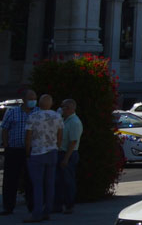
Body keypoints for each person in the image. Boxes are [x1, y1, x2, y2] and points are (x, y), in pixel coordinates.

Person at [24, 94, 61, 223]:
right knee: (50, 184)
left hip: (37, 153)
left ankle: (37, 213)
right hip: (52, 152)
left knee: (38, 185)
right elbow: (60, 134)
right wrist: (57, 146)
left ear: (39, 104)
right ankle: (47, 211)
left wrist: (27, 151)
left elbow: (28, 136)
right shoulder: (57, 116)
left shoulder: (33, 116)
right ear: (51, 104)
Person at [1, 90, 38, 216]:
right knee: (10, 179)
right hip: (14, 149)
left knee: (31, 180)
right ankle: (8, 206)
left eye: (34, 98)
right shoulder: (12, 112)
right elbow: (5, 128)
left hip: (32, 151)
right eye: (30, 98)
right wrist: (6, 145)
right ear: (24, 99)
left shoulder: (38, 112)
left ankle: (32, 206)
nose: (33, 101)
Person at [55, 99, 82, 215]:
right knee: (59, 181)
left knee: (68, 181)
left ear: (71, 109)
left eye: (64, 107)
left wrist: (66, 158)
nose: (62, 109)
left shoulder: (74, 122)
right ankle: (58, 205)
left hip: (69, 154)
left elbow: (73, 142)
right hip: (61, 152)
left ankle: (69, 205)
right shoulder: (63, 120)